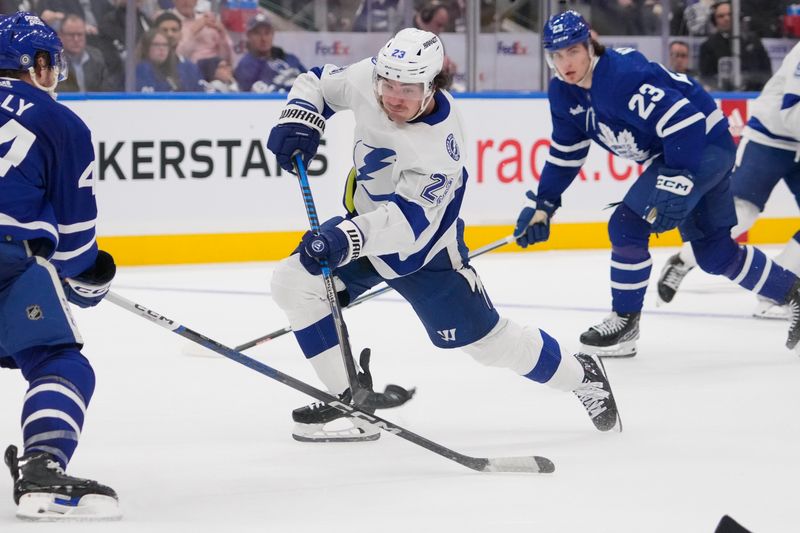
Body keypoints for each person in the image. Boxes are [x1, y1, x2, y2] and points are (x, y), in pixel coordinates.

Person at [266, 27, 621, 443]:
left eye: (409, 89)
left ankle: (582, 377)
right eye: (388, 84)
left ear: (433, 84)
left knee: (489, 344)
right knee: (295, 283)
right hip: (361, 224)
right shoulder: (373, 77)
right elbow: (318, 82)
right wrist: (301, 117)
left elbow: (409, 223)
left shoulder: (441, 147)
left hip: (424, 254)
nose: (394, 97)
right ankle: (352, 402)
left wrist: (346, 237)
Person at [514, 11, 800, 358]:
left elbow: (687, 122)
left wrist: (676, 179)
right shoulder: (563, 93)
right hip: (683, 152)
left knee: (626, 225)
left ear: (590, 45)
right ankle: (793, 292)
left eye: (572, 51)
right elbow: (566, 152)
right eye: (556, 55)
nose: (565, 63)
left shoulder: (620, 76)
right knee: (714, 252)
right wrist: (544, 204)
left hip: (703, 146)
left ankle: (624, 323)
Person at [0, 12, 119, 520]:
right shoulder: (59, 122)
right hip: (6, 260)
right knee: (59, 360)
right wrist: (89, 279)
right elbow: (73, 249)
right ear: (39, 63)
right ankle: (43, 465)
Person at [657, 42, 800, 319]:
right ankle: (684, 260)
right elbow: (791, 112)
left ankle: (780, 290)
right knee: (741, 214)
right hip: (769, 139)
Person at [698, 1, 771, 91]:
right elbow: (706, 79)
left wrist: (748, 77)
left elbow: (767, 73)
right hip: (723, 96)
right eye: (721, 16)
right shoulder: (708, 46)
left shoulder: (753, 41)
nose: (726, 18)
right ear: (714, 21)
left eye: (730, 14)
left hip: (753, 94)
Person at [233, 13, 305, 93]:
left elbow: (310, 83)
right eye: (257, 33)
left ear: (273, 34)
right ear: (249, 36)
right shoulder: (246, 66)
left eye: (267, 33)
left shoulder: (290, 59)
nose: (263, 38)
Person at [57, 14, 121, 91]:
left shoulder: (96, 57)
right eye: (71, 35)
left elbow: (107, 90)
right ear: (61, 36)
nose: (76, 39)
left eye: (80, 34)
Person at [135, 28, 202, 91]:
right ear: (146, 47)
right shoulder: (139, 70)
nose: (161, 49)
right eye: (156, 44)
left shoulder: (178, 69)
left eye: (165, 45)